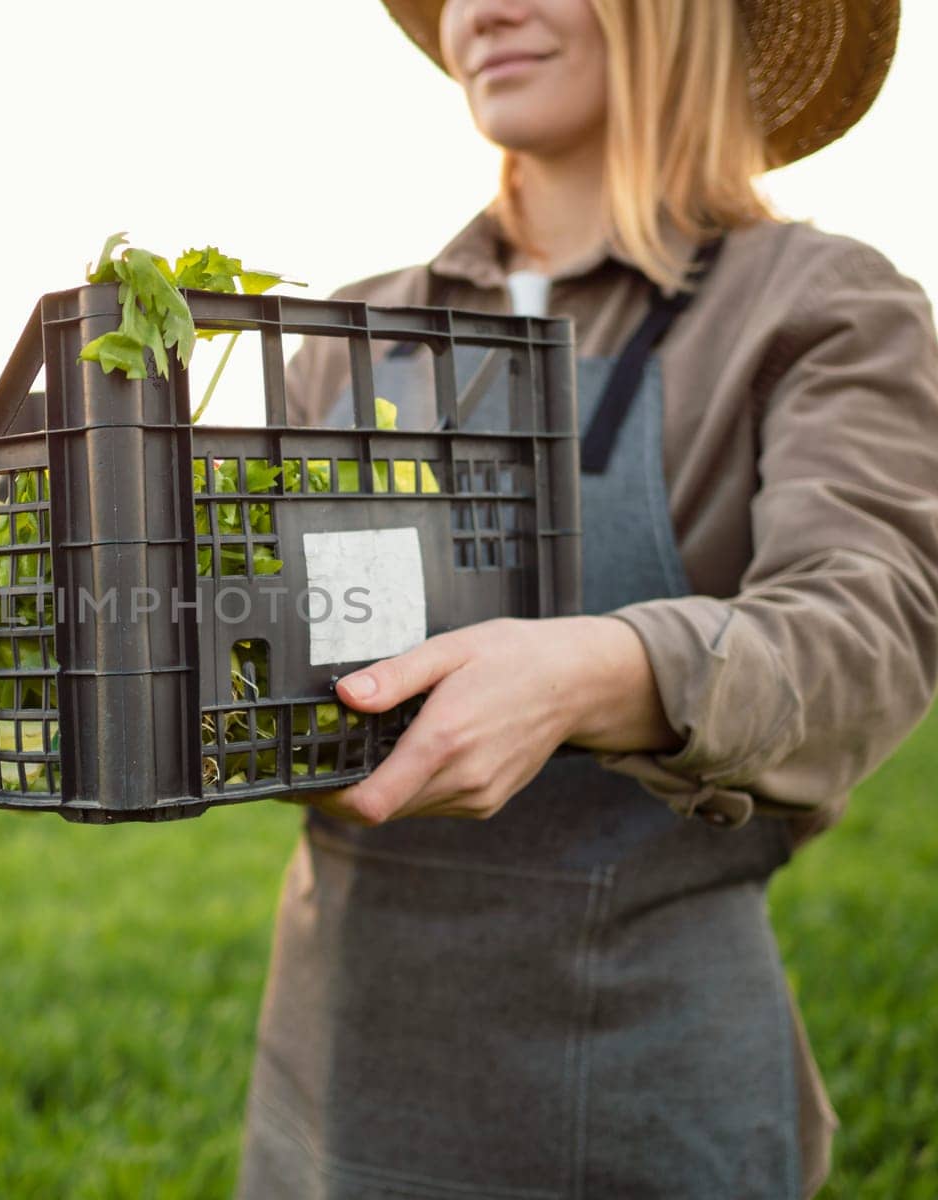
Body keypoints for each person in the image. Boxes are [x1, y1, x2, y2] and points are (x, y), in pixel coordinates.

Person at [234, 1, 937, 1197]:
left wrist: (599, 672)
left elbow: (869, 625)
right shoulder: (350, 337)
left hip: (644, 1079)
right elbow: (238, 625)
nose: (482, 12)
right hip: (344, 1064)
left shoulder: (814, 305)